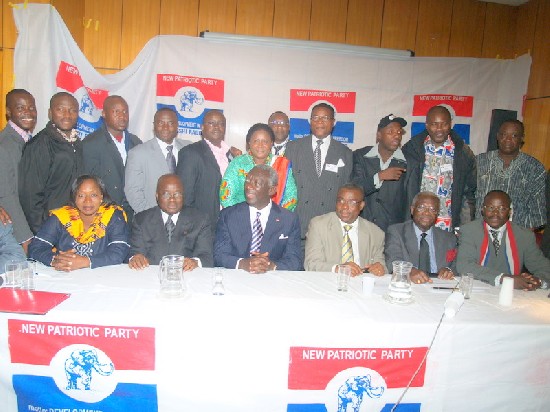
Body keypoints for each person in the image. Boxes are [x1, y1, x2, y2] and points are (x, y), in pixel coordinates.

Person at [29, 175, 130, 271]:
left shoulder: (113, 216)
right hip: (65, 277)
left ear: (101, 197)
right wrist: (56, 260)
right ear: (74, 198)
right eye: (81, 195)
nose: (87, 201)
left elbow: (118, 252)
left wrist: (85, 262)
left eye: (93, 195)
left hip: (102, 278)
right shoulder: (61, 217)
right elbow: (36, 247)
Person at [214, 165, 302, 273]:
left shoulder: (288, 219)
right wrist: (243, 263)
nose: (249, 187)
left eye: (257, 183)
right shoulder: (228, 215)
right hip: (237, 280)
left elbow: (295, 260)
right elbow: (219, 255)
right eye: (247, 181)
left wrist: (271, 266)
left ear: (271, 190)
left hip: (273, 283)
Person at [285, 103, 353, 242]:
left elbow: (345, 190)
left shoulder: (345, 153)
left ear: (333, 122)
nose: (320, 122)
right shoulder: (293, 148)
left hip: (329, 228)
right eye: (315, 117)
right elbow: (285, 187)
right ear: (310, 121)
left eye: (325, 118)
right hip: (298, 226)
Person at [402, 105, 476, 232]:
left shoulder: (463, 153)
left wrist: (463, 228)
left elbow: (468, 194)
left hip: (446, 223)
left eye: (444, 124)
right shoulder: (411, 149)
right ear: (426, 125)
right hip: (416, 222)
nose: (439, 129)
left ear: (451, 124)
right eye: (434, 124)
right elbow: (402, 189)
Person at [457, 190, 550, 290]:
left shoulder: (524, 236)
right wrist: (505, 279)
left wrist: (537, 281)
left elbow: (544, 268)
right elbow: (464, 266)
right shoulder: (469, 231)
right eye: (491, 207)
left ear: (510, 212)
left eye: (502, 209)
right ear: (482, 210)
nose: (495, 213)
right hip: (477, 291)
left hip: (512, 295)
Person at [19, 92, 84, 234]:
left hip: (75, 225)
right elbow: (30, 197)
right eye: (60, 109)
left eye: (72, 110)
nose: (67, 115)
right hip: (51, 226)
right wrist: (44, 235)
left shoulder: (77, 143)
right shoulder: (40, 144)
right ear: (50, 113)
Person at [128, 174, 213, 270]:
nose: (172, 199)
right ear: (157, 196)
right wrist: (136, 258)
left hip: (186, 279)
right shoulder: (141, 220)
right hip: (150, 279)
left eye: (177, 194)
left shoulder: (200, 220)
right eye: (166, 194)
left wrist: (195, 262)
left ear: (183, 195)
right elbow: (134, 253)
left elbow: (207, 257)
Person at [175, 110, 241, 231]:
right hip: (201, 226)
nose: (216, 127)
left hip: (229, 223)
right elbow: (185, 196)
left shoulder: (232, 156)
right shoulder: (190, 152)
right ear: (202, 127)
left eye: (221, 123)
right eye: (211, 123)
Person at [475, 120, 546, 230]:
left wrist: (518, 237)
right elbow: (467, 200)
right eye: (504, 135)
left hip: (517, 238)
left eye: (514, 135)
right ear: (497, 136)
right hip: (479, 234)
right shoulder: (479, 162)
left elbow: (538, 214)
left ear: (522, 138)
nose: (508, 139)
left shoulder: (534, 168)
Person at [304, 183, 386, 276]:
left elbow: (382, 267)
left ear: (361, 206)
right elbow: (311, 264)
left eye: (352, 202)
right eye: (341, 201)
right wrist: (338, 268)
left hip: (360, 284)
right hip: (328, 282)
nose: (345, 207)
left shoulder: (376, 233)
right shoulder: (319, 225)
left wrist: (379, 268)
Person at [83, 95, 142, 222]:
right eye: (116, 111)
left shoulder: (136, 142)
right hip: (104, 213)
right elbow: (90, 182)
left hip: (133, 213)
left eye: (125, 111)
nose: (122, 116)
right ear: (104, 113)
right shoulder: (91, 143)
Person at [220, 123, 297, 210]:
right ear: (249, 143)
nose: (260, 145)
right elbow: (226, 196)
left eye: (265, 141)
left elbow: (291, 197)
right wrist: (245, 216)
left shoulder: (282, 164)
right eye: (256, 141)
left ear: (271, 143)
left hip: (273, 220)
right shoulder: (238, 163)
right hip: (240, 218)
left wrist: (275, 218)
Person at [352, 114, 409, 231]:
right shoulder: (361, 156)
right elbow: (355, 189)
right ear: (379, 135)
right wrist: (380, 176)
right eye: (390, 132)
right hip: (362, 229)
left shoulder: (408, 162)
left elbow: (410, 202)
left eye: (399, 132)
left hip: (393, 232)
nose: (396, 136)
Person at [385, 192, 457, 284]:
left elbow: (456, 265)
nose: (427, 212)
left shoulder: (448, 238)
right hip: (409, 284)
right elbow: (393, 260)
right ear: (412, 210)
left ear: (437, 214)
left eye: (432, 209)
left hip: (438, 285)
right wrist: (409, 271)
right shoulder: (397, 232)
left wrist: (447, 271)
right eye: (421, 207)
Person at [125, 108, 186, 214]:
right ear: (154, 126)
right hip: (150, 222)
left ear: (177, 126)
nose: (165, 127)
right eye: (161, 122)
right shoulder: (138, 153)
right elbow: (133, 192)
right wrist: (152, 218)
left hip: (185, 222)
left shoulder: (188, 148)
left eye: (170, 123)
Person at [0, 89, 37, 249]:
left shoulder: (27, 139)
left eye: (31, 107)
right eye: (20, 108)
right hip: (17, 233)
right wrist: (25, 237)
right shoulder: (6, 145)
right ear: (9, 111)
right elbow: (7, 195)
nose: (28, 112)